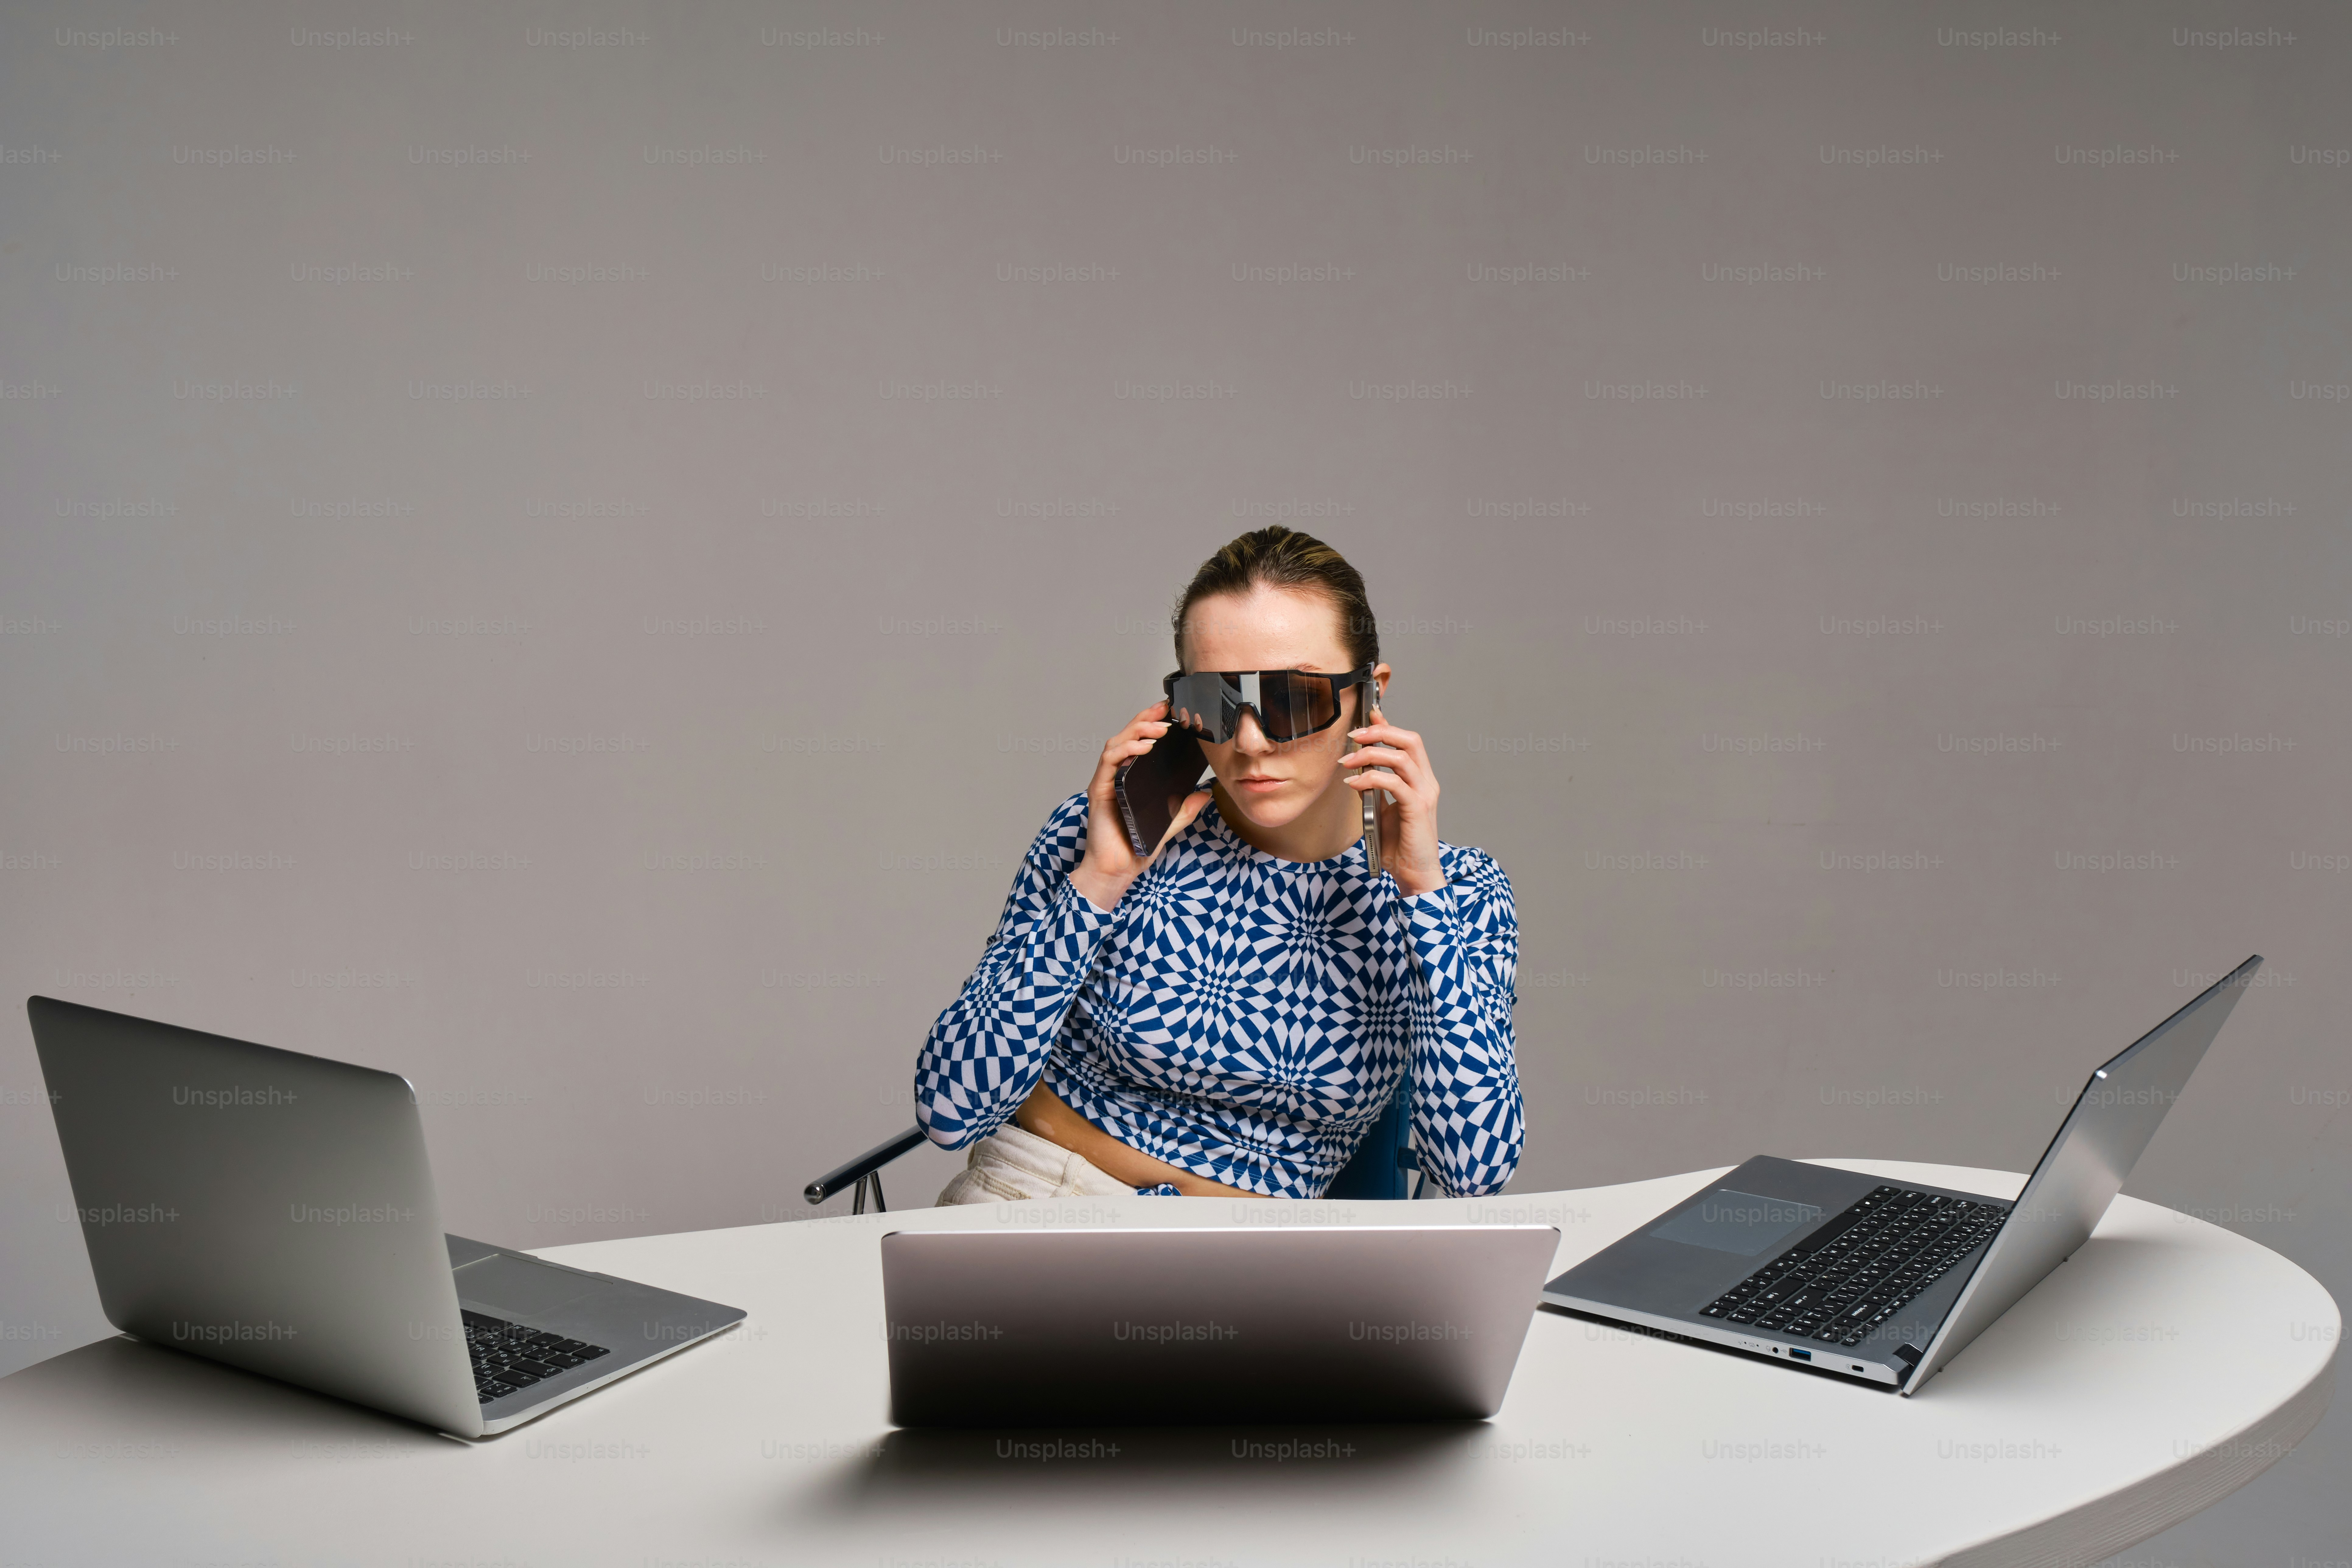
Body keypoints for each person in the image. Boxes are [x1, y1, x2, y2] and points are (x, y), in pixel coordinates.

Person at [914, 526, 1523, 1202]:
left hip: (1264, 1267)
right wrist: (1100, 880)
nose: (1251, 741)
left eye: (1294, 698)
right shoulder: (1106, 836)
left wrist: (1422, 895)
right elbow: (949, 1109)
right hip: (1038, 1204)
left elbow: (1474, 1171)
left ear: (1370, 693)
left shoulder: (1460, 889)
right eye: (1215, 702)